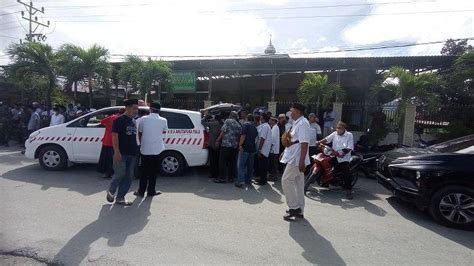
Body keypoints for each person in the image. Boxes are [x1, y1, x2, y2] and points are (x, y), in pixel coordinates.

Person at [280, 103, 310, 221]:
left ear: (298, 112)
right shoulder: (296, 123)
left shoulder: (303, 123)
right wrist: (284, 152)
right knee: (298, 184)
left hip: (297, 159)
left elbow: (304, 143)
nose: (290, 113)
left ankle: (294, 208)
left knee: (286, 180)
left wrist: (301, 161)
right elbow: (293, 141)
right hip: (293, 156)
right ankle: (300, 210)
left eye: (292, 111)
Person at [106, 99, 139, 206]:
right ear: (127, 108)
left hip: (132, 153)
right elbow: (115, 136)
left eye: (137, 108)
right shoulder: (119, 120)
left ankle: (120, 198)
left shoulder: (133, 121)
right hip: (121, 152)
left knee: (129, 176)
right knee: (120, 173)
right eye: (134, 108)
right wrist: (116, 151)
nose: (136, 110)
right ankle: (111, 191)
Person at [134, 102, 167, 197]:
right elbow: (164, 131)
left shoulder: (143, 119)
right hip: (158, 148)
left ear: (150, 109)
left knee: (144, 171)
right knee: (153, 171)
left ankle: (141, 191)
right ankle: (151, 191)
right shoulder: (164, 120)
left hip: (145, 148)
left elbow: (140, 132)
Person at [318, 121, 354, 199]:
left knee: (345, 173)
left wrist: (343, 153)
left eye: (339, 128)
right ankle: (326, 181)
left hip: (344, 158)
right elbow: (326, 139)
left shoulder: (349, 135)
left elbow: (349, 147)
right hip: (334, 155)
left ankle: (348, 191)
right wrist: (319, 142)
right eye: (337, 128)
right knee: (325, 164)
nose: (337, 129)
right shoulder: (335, 133)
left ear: (344, 129)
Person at [215, 111, 242, 183]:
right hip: (234, 146)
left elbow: (223, 131)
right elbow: (240, 135)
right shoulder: (239, 125)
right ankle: (231, 178)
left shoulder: (227, 121)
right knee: (232, 163)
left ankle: (222, 178)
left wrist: (218, 140)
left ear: (230, 115)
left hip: (226, 145)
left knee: (222, 162)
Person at [97, 109, 123, 179]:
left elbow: (102, 122)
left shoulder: (112, 117)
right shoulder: (122, 118)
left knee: (106, 159)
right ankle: (113, 173)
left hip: (107, 141)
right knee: (114, 159)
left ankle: (106, 173)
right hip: (117, 142)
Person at [235, 114, 258, 188]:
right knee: (250, 166)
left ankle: (241, 182)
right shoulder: (254, 126)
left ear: (247, 118)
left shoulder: (245, 124)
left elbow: (243, 135)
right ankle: (248, 180)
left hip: (245, 148)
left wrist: (240, 145)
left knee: (241, 165)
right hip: (252, 148)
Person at [202, 114, 222, 179]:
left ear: (215, 118)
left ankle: (213, 174)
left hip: (212, 144)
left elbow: (203, 122)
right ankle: (217, 174)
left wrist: (205, 117)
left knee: (212, 160)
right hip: (218, 144)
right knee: (217, 160)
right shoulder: (221, 124)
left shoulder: (213, 123)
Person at [255, 113, 272, 186]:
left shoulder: (265, 126)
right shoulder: (265, 126)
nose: (260, 119)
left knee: (263, 166)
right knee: (262, 166)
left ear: (264, 119)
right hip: (264, 149)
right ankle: (262, 179)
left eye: (261, 118)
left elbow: (262, 138)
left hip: (263, 150)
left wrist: (259, 150)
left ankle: (263, 181)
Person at [269, 116, 280, 181]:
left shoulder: (275, 128)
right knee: (274, 163)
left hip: (274, 149)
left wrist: (270, 147)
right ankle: (273, 175)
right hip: (274, 148)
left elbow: (272, 139)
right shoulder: (275, 127)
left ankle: (274, 176)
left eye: (271, 120)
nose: (270, 121)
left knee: (273, 163)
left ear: (273, 121)